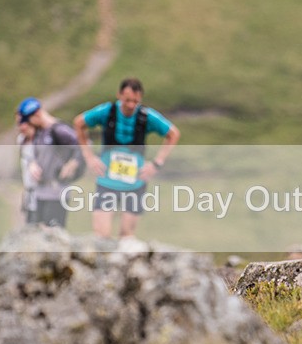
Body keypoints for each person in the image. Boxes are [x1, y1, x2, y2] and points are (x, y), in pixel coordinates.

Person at [73, 78, 180, 238]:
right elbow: (79, 123)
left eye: (135, 101)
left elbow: (173, 134)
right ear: (119, 95)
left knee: (127, 237)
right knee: (101, 236)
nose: (131, 105)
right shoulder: (106, 111)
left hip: (135, 184)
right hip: (107, 181)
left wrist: (156, 164)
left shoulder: (146, 116)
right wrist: (89, 157)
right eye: (127, 100)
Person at [17, 97, 85, 228]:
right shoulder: (40, 132)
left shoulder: (59, 130)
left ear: (36, 115)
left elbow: (82, 144)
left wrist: (73, 163)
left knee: (52, 234)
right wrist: (33, 164)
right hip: (40, 192)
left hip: (56, 193)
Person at [15, 111, 38, 224]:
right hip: (29, 194)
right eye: (19, 123)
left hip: (43, 196)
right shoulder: (21, 140)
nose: (22, 126)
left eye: (25, 122)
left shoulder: (42, 140)